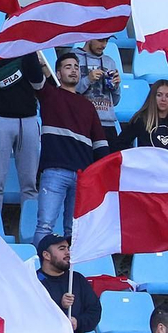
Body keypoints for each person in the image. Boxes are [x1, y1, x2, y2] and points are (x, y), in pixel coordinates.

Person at [33, 53, 112, 244]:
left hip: (82, 176)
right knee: (45, 226)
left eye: (76, 67)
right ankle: (39, 272)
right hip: (54, 172)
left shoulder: (88, 106)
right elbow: (33, 74)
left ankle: (71, 272)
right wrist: (33, 49)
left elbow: (100, 143)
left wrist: (107, 175)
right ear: (58, 73)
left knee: (75, 231)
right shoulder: (50, 94)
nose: (74, 70)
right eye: (68, 67)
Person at [0, 53, 44, 205]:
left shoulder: (29, 51)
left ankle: (29, 227)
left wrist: (35, 60)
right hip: (2, 119)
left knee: (29, 185)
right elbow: (38, 84)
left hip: (27, 120)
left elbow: (39, 83)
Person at [115, 78, 168, 155]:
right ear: (153, 97)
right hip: (148, 168)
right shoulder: (141, 119)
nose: (163, 99)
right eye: (159, 95)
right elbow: (120, 144)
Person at [72, 38, 122, 137]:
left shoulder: (109, 61)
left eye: (106, 41)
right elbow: (68, 93)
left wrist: (116, 86)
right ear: (89, 37)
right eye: (100, 40)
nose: (104, 45)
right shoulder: (73, 59)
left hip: (107, 123)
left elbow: (115, 101)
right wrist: (88, 79)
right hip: (82, 122)